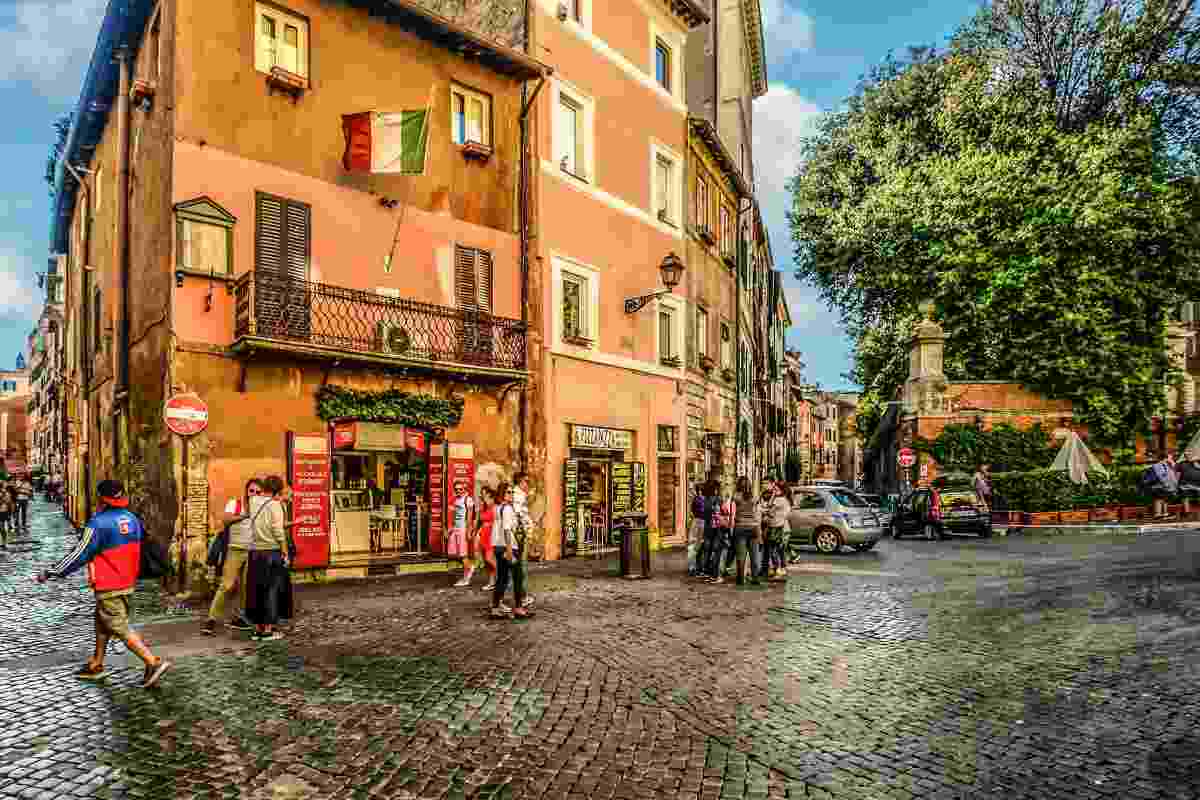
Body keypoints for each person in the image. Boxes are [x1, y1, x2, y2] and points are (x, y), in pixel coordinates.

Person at [34, 479, 172, 687]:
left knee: (117, 625)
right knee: (101, 621)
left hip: (108, 582)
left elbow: (80, 553)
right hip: (127, 579)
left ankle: (151, 661)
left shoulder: (97, 523)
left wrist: (53, 571)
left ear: (101, 498)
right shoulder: (132, 518)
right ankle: (96, 663)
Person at [203, 478, 264, 636]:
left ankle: (240, 617)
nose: (254, 495)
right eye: (252, 491)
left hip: (253, 550)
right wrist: (245, 515)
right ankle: (211, 619)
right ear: (246, 491)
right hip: (235, 549)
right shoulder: (236, 503)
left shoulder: (262, 507)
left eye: (258, 492)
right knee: (227, 585)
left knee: (246, 586)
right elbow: (226, 519)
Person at [245, 475, 291, 641]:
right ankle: (268, 630)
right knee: (271, 590)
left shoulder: (253, 502)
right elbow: (278, 531)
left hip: (254, 552)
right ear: (277, 490)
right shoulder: (275, 505)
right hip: (271, 551)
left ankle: (257, 629)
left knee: (256, 590)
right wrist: (285, 551)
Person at [491, 483, 530, 619]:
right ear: (501, 494)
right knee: (518, 576)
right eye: (508, 492)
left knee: (502, 578)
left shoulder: (497, 508)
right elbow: (507, 530)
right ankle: (518, 608)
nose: (511, 495)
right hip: (508, 547)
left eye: (512, 492)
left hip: (497, 546)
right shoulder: (507, 508)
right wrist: (509, 550)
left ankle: (495, 607)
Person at [511, 472, 535, 608]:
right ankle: (523, 596)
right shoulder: (519, 495)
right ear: (521, 482)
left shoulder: (519, 495)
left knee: (519, 566)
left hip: (519, 534)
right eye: (526, 481)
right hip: (520, 535)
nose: (528, 484)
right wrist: (526, 531)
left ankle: (521, 595)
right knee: (521, 566)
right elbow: (518, 514)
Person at [732, 477, 762, 586]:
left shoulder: (736, 497)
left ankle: (740, 578)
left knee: (741, 555)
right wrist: (759, 530)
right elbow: (758, 514)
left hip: (740, 527)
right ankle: (755, 578)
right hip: (753, 527)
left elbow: (733, 514)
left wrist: (732, 527)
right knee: (754, 554)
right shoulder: (755, 497)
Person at [449, 479, 478, 587]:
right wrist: (451, 528)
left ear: (464, 489)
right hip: (456, 529)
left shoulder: (468, 500)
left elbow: (470, 517)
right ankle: (466, 575)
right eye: (456, 490)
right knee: (457, 554)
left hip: (462, 529)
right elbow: (454, 515)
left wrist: (468, 531)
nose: (458, 491)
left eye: (460, 489)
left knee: (463, 554)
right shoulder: (456, 500)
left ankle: (469, 571)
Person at [706, 483, 735, 584]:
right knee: (720, 552)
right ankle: (717, 575)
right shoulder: (718, 500)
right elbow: (725, 512)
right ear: (716, 490)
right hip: (720, 528)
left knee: (714, 551)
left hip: (711, 528)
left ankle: (712, 574)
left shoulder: (707, 500)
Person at [764, 480, 792, 581]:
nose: (774, 490)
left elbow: (769, 508)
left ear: (781, 490)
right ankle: (781, 569)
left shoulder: (778, 500)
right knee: (780, 550)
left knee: (773, 550)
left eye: (776, 489)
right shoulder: (786, 500)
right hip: (782, 526)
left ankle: (777, 569)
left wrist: (773, 496)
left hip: (776, 527)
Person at [476, 486, 498, 592]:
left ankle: (503, 577)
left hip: (491, 534)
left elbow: (496, 522)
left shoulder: (495, 507)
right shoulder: (484, 507)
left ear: (490, 495)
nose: (482, 497)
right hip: (484, 534)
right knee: (486, 561)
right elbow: (480, 520)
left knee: (490, 559)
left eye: (484, 494)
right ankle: (491, 582)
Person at [1148, 452, 1179, 520]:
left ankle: (1164, 513)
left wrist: (1174, 485)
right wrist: (1167, 485)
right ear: (1165, 458)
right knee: (1159, 497)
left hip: (1165, 486)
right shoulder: (1157, 465)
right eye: (1170, 458)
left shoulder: (1168, 466)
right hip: (1158, 486)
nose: (1171, 459)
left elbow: (1173, 477)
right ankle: (1158, 514)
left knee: (1165, 498)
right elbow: (1160, 476)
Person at [1178, 451, 1200, 517]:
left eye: (1189, 455)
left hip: (1197, 485)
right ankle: (1187, 512)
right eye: (1186, 455)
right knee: (1185, 497)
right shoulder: (1182, 463)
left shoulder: (1197, 463)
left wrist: (1195, 461)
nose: (1188, 456)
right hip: (1185, 484)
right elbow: (1177, 473)